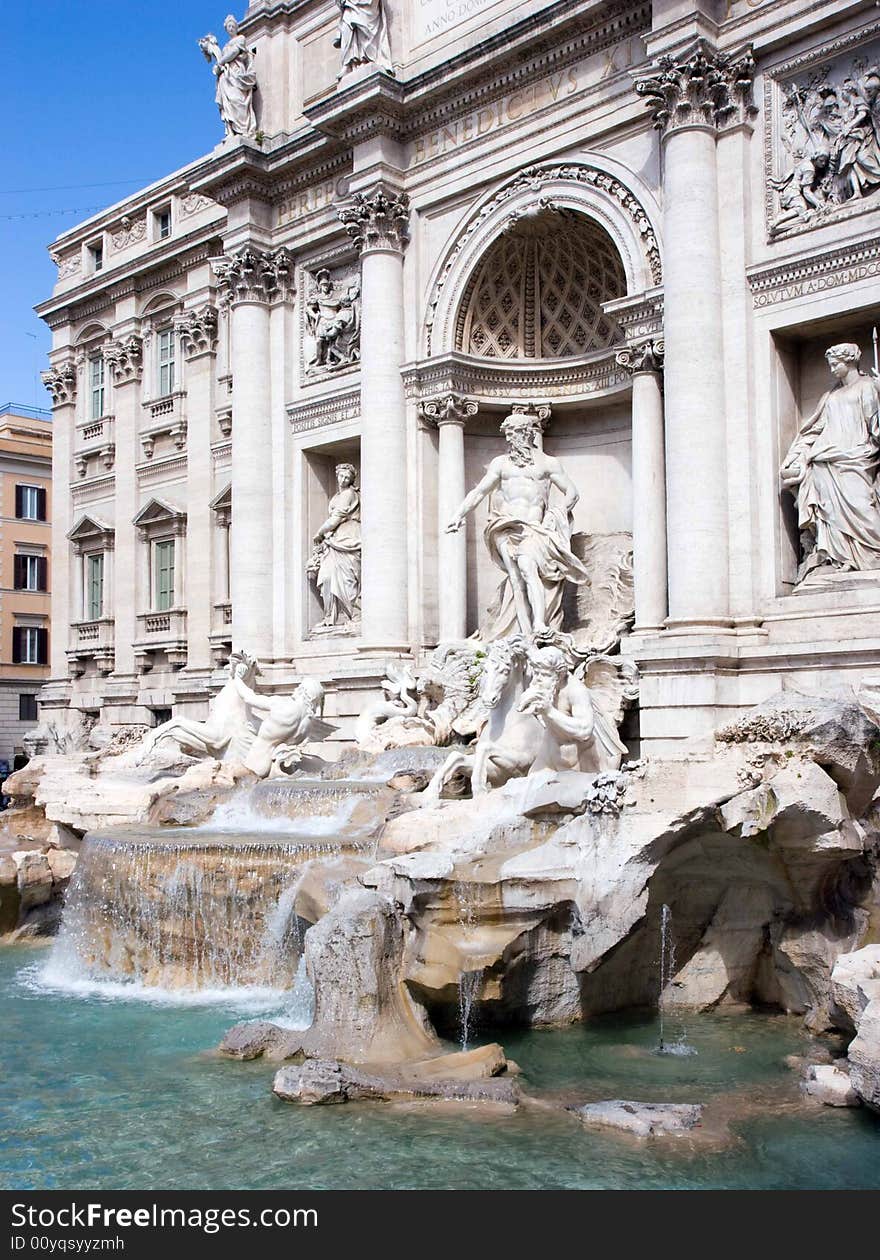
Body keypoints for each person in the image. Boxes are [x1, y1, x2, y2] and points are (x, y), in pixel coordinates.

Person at [446, 412, 588, 638]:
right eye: (508, 434)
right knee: (516, 578)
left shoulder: (548, 463)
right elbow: (480, 491)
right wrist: (459, 513)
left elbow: (572, 492)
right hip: (505, 526)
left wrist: (557, 512)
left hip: (534, 528)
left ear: (528, 433)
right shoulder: (500, 464)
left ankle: (540, 624)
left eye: (515, 433)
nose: (510, 439)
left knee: (528, 567)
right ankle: (525, 631)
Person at [781, 342, 880, 577]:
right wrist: (794, 458)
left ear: (850, 362)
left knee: (862, 507)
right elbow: (814, 430)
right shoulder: (830, 395)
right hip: (826, 460)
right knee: (829, 510)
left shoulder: (867, 387)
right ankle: (841, 557)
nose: (833, 369)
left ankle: (872, 553)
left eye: (836, 364)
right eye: (830, 364)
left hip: (856, 456)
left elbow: (875, 426)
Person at [307, 463, 362, 628]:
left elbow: (337, 517)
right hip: (334, 539)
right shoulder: (336, 496)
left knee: (347, 578)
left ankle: (354, 615)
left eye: (347, 477)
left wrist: (320, 532)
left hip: (348, 536)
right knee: (328, 576)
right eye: (341, 476)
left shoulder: (349, 494)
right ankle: (332, 616)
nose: (343, 479)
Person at [199, 16, 257, 139]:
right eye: (228, 27)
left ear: (236, 27)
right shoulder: (225, 46)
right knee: (228, 103)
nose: (230, 28)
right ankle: (231, 131)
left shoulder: (240, 39)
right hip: (227, 76)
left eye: (232, 26)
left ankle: (243, 130)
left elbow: (234, 52)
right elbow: (222, 57)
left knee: (237, 100)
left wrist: (220, 63)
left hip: (236, 73)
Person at [334, 0, 392, 75]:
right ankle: (348, 63)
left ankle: (365, 59)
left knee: (363, 26)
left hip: (366, 5)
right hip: (349, 5)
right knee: (347, 26)